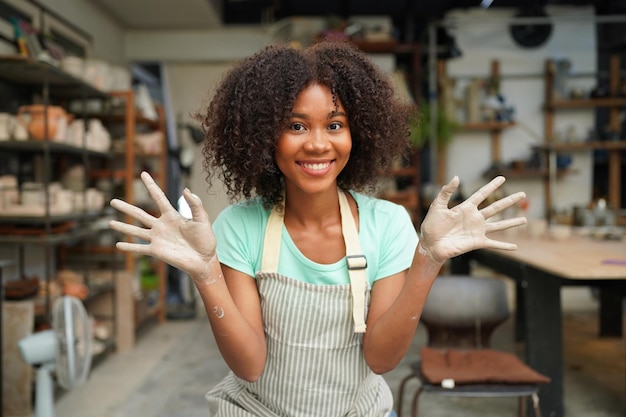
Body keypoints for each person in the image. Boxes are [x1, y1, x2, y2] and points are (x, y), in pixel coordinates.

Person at [109, 41, 527, 417]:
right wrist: (206, 273)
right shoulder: (239, 226)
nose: (317, 144)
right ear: (264, 136)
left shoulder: (387, 224)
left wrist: (428, 261)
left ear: (357, 133)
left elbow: (381, 359)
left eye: (334, 124)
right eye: (295, 126)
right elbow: (250, 366)